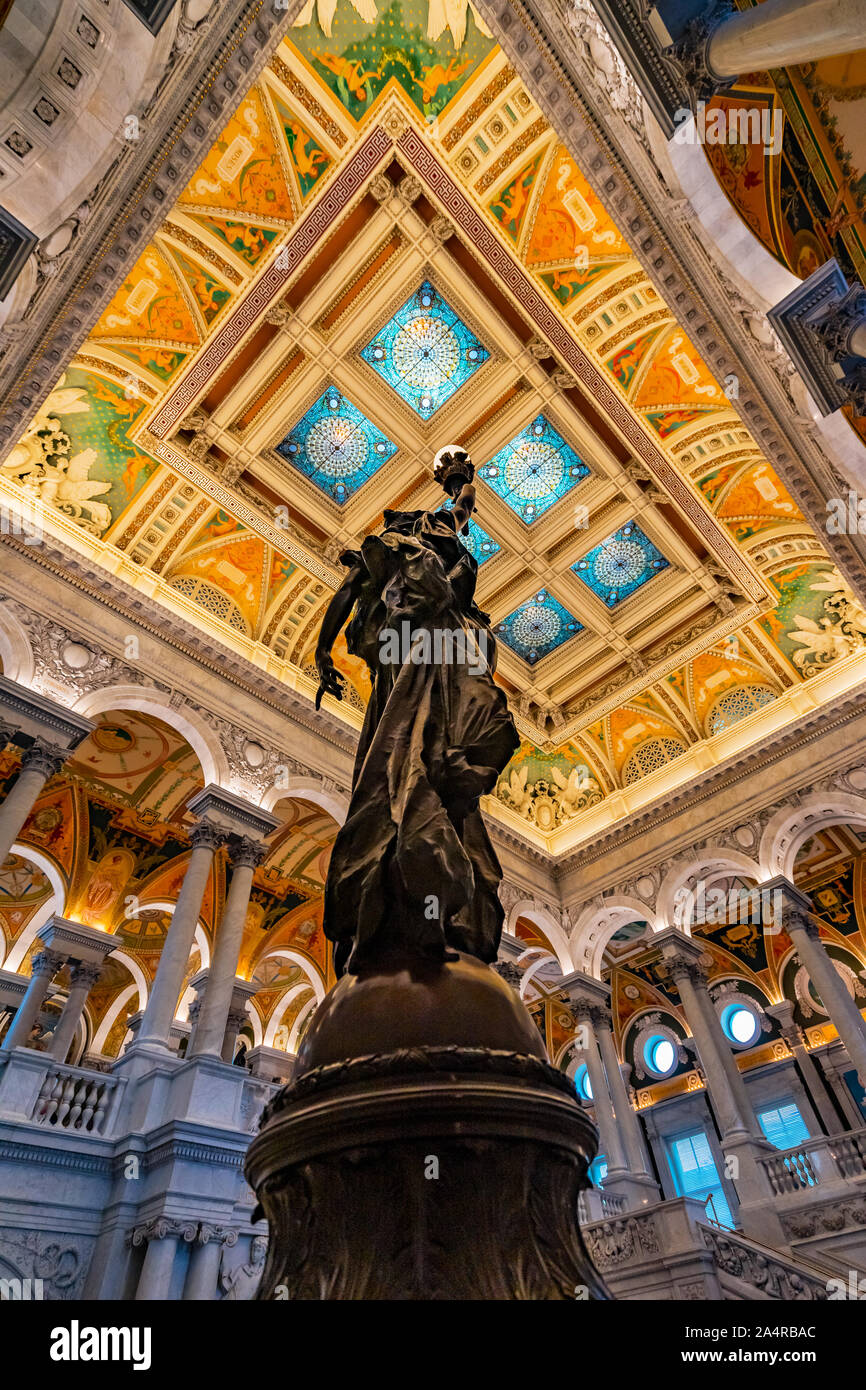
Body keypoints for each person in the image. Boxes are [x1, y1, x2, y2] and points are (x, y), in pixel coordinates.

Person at [314, 445, 519, 976]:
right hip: (409, 648)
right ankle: (409, 873)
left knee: (468, 731)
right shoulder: (394, 550)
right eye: (415, 527)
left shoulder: (444, 534)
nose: (425, 530)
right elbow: (346, 592)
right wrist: (321, 651)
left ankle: (436, 867)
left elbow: (464, 505)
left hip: (452, 643)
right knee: (407, 746)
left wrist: (460, 479)